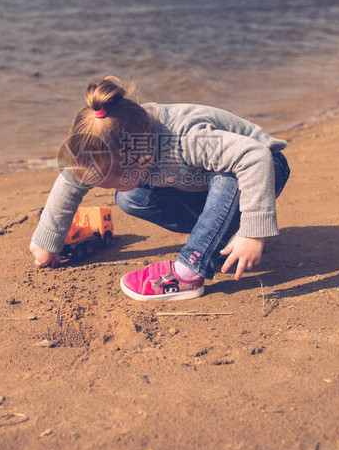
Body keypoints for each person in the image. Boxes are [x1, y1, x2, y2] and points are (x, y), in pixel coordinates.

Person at [29, 76, 290, 301]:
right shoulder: (114, 141)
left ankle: (190, 270)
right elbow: (71, 180)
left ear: (144, 162)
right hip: (201, 184)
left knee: (227, 176)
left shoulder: (186, 139)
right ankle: (220, 237)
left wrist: (254, 232)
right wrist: (48, 240)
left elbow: (255, 156)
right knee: (131, 197)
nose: (103, 188)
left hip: (262, 168)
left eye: (110, 182)